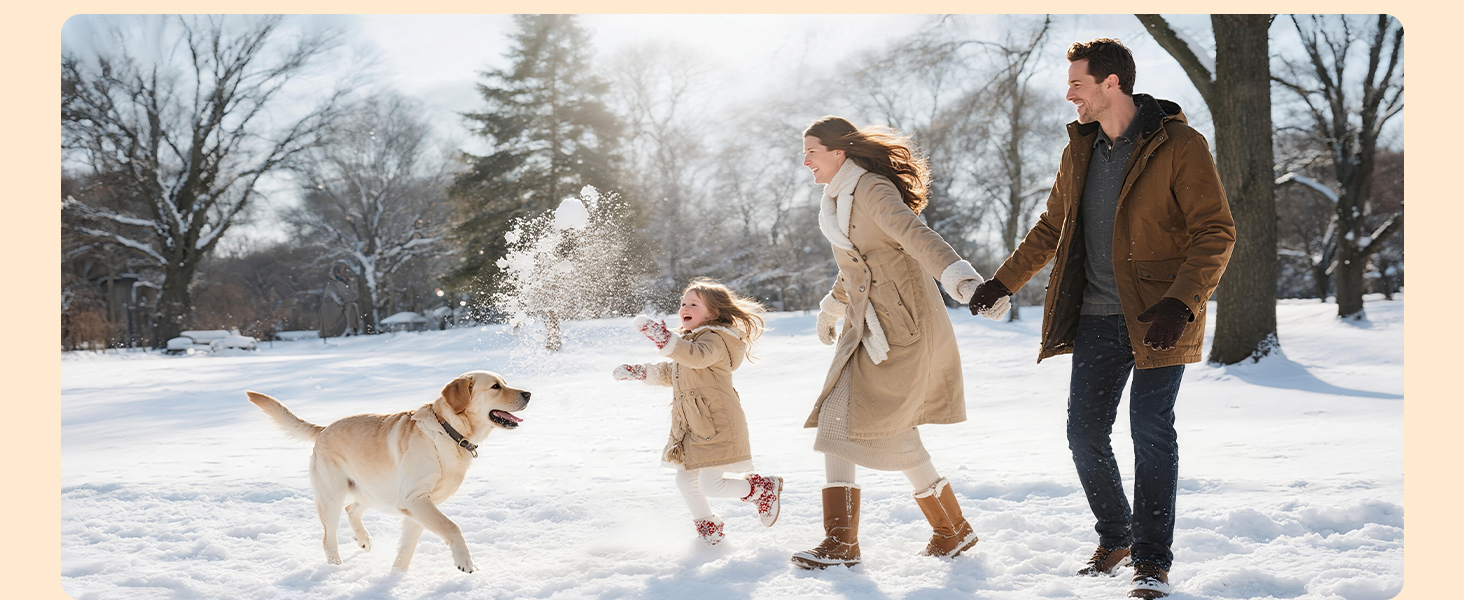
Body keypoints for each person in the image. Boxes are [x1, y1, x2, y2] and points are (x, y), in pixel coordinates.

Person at [967, 38, 1235, 599]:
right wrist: (1003, 281)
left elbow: (1215, 231)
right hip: (1095, 315)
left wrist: (1182, 303)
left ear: (1112, 83)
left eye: (1077, 86)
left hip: (1159, 315)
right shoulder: (1080, 149)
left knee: (1150, 430)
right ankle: (1116, 536)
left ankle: (1151, 562)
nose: (1070, 97)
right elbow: (1051, 228)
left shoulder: (1180, 144)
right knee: (1085, 434)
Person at [791, 116, 990, 570]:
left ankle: (844, 543)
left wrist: (961, 280)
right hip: (867, 328)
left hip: (902, 329)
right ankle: (951, 530)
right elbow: (857, 267)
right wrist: (831, 308)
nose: (805, 160)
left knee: (850, 422)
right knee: (874, 425)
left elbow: (917, 237)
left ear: (838, 152)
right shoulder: (838, 198)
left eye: (811, 151)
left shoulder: (872, 190)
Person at [612, 278, 783, 545]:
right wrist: (643, 372)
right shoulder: (690, 342)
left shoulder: (715, 340)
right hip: (694, 425)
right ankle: (710, 530)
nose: (684, 308)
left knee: (711, 484)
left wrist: (665, 340)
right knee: (685, 481)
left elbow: (696, 357)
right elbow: (675, 371)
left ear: (713, 313)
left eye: (693, 304)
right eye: (683, 303)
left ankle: (761, 489)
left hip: (717, 422)